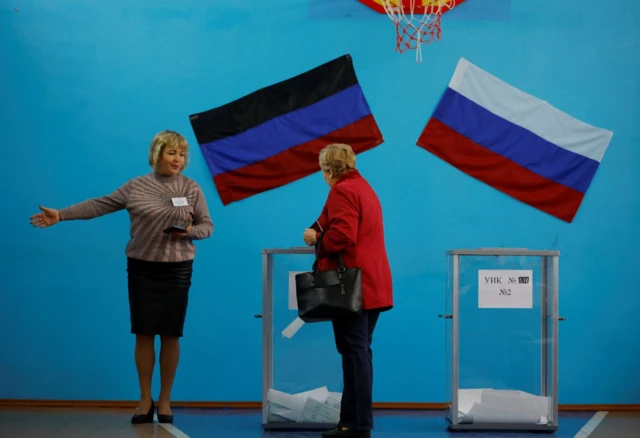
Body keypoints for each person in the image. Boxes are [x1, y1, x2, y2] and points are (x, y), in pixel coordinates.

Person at [29, 130, 213, 425]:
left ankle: (165, 400)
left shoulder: (191, 188)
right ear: (157, 154)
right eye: (171, 153)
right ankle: (144, 399)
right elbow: (99, 205)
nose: (177, 159)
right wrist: (61, 214)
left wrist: (190, 232)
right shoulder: (136, 186)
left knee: (170, 333)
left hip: (177, 270)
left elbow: (207, 226)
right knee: (143, 333)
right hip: (142, 268)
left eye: (182, 154)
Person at [303, 143, 393, 438]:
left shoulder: (341, 191)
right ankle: (356, 422)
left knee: (354, 354)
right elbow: (332, 221)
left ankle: (354, 425)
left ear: (328, 169)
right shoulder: (363, 187)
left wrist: (317, 240)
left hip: (352, 288)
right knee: (361, 353)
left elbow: (342, 236)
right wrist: (318, 229)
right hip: (373, 284)